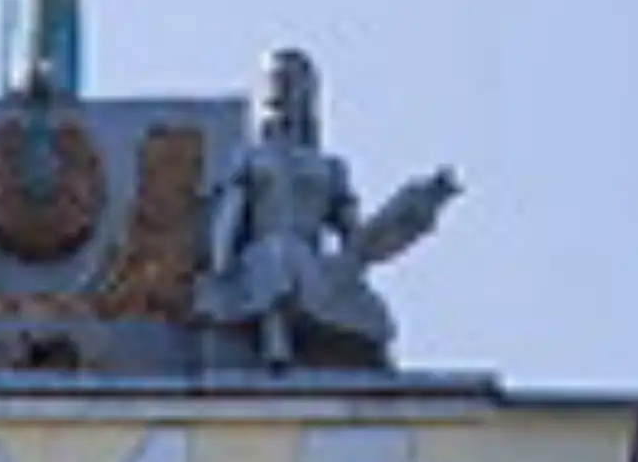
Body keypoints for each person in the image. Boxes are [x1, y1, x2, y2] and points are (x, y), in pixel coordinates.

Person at [192, 44, 455, 372]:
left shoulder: (329, 168)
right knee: (278, 259)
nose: (281, 91)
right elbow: (230, 214)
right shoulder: (249, 159)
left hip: (314, 266)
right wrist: (219, 265)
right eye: (274, 81)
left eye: (290, 82)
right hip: (262, 258)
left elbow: (357, 237)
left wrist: (412, 211)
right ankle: (276, 342)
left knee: (368, 318)